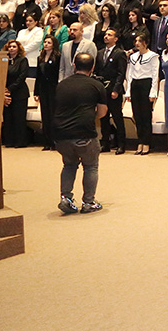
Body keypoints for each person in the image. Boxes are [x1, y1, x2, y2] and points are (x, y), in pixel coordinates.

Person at [54, 51, 107, 215]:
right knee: (90, 166)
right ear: (92, 67)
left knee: (69, 165)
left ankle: (66, 199)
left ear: (74, 66)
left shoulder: (62, 84)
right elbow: (102, 112)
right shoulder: (97, 85)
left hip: (61, 133)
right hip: (84, 132)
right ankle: (88, 202)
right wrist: (91, 117)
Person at [124, 32, 159, 155]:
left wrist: (153, 92)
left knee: (146, 115)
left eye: (140, 41)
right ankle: (140, 140)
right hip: (135, 85)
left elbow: (155, 75)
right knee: (137, 115)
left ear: (146, 43)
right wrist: (128, 91)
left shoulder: (153, 56)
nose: (137, 43)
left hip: (146, 84)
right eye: (136, 41)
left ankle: (147, 142)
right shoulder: (133, 57)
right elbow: (130, 74)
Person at [94, 28, 127, 154]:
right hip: (102, 89)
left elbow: (121, 73)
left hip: (114, 89)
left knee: (117, 117)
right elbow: (97, 71)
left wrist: (116, 89)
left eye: (110, 35)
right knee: (103, 117)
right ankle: (105, 143)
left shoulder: (119, 53)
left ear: (116, 38)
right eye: (105, 34)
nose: (106, 37)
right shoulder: (100, 53)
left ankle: (121, 144)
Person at [1, 40, 30, 148]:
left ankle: (20, 141)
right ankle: (9, 141)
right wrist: (4, 90)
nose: (11, 48)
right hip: (6, 93)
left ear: (18, 48)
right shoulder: (4, 60)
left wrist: (9, 89)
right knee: (8, 118)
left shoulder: (23, 60)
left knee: (19, 119)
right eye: (9, 47)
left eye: (14, 46)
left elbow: (22, 77)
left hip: (19, 93)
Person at [34, 35, 60, 150]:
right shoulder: (40, 58)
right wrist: (36, 92)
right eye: (45, 42)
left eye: (49, 43)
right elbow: (38, 76)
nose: (46, 44)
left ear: (53, 45)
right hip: (43, 88)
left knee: (53, 114)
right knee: (45, 115)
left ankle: (55, 141)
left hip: (54, 88)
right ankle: (47, 141)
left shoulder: (58, 57)